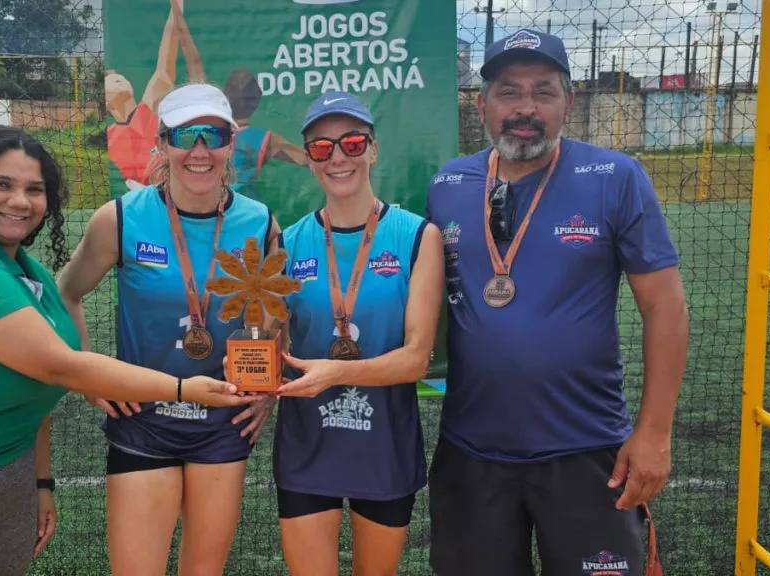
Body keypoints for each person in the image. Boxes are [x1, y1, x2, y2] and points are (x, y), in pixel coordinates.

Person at [0, 126, 254, 576]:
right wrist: (183, 389)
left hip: (6, 478)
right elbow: (57, 365)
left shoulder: (26, 270)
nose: (20, 201)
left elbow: (37, 385)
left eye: (34, 189)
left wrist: (40, 480)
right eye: (1, 184)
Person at [425, 29, 688, 576]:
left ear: (569, 101)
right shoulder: (448, 183)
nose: (525, 108)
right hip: (472, 451)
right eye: (508, 91)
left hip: (588, 449)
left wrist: (655, 432)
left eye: (543, 91)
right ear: (482, 104)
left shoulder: (616, 177)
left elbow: (665, 307)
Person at [58, 83, 279, 576]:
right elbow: (65, 293)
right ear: (162, 142)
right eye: (186, 135)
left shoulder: (259, 221)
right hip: (143, 421)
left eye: (213, 135)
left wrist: (267, 389)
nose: (200, 150)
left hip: (222, 425)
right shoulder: (119, 218)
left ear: (231, 142)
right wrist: (87, 375)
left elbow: (271, 318)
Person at [270, 91, 444, 576]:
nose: (338, 157)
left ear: (373, 149)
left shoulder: (416, 236)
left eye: (351, 143)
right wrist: (252, 359)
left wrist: (334, 372)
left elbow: (415, 360)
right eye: (322, 148)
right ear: (309, 160)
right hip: (308, 445)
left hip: (384, 445)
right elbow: (274, 343)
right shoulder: (287, 243)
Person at [105, 0, 204, 190]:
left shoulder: (148, 111)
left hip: (173, 196)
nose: (119, 79)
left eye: (121, 76)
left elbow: (164, 67)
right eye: (110, 80)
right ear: (106, 101)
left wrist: (175, 11)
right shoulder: (109, 137)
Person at [222, 67, 307, 199]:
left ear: (225, 98)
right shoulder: (264, 139)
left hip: (213, 210)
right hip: (247, 212)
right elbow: (306, 159)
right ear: (256, 101)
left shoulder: (211, 134)